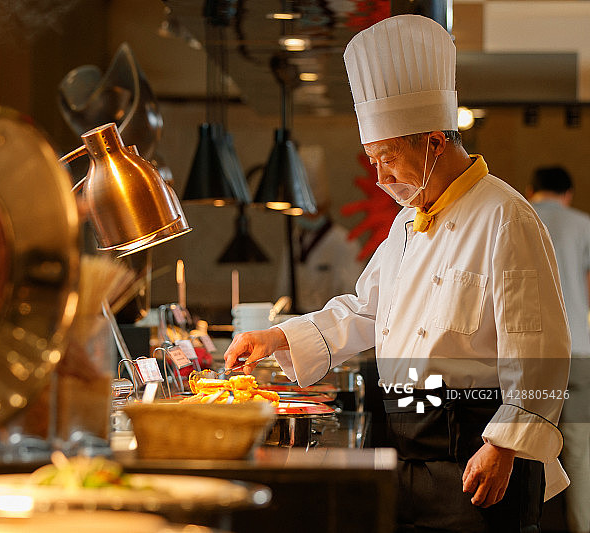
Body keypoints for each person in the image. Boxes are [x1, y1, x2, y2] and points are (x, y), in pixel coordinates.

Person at [225, 14, 571, 533]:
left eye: (388, 159)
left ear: (434, 141)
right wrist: (278, 335)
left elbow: (542, 349)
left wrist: (504, 445)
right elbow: (366, 309)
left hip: (476, 454)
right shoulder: (408, 223)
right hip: (408, 451)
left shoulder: (505, 217)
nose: (381, 179)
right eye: (373, 162)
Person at [527, 166, 590, 533]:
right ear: (568, 194)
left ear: (531, 189)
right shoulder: (583, 225)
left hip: (530, 358)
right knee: (581, 455)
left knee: (526, 449)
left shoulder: (515, 216)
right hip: (579, 352)